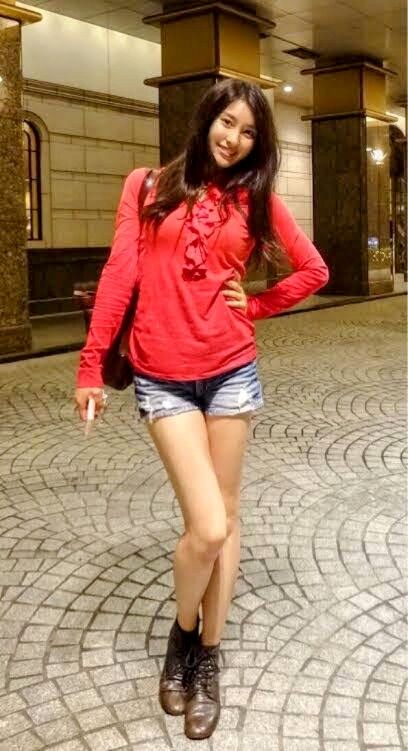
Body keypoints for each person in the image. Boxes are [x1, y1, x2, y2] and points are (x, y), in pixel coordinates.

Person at [75, 78, 329, 740]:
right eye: (227, 123)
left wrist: (260, 304)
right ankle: (182, 630)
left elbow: (314, 270)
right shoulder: (146, 186)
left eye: (249, 132)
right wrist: (90, 363)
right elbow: (119, 275)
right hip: (162, 375)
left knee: (227, 518)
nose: (234, 139)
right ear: (206, 118)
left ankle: (205, 655)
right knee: (208, 526)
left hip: (232, 372)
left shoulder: (256, 198)